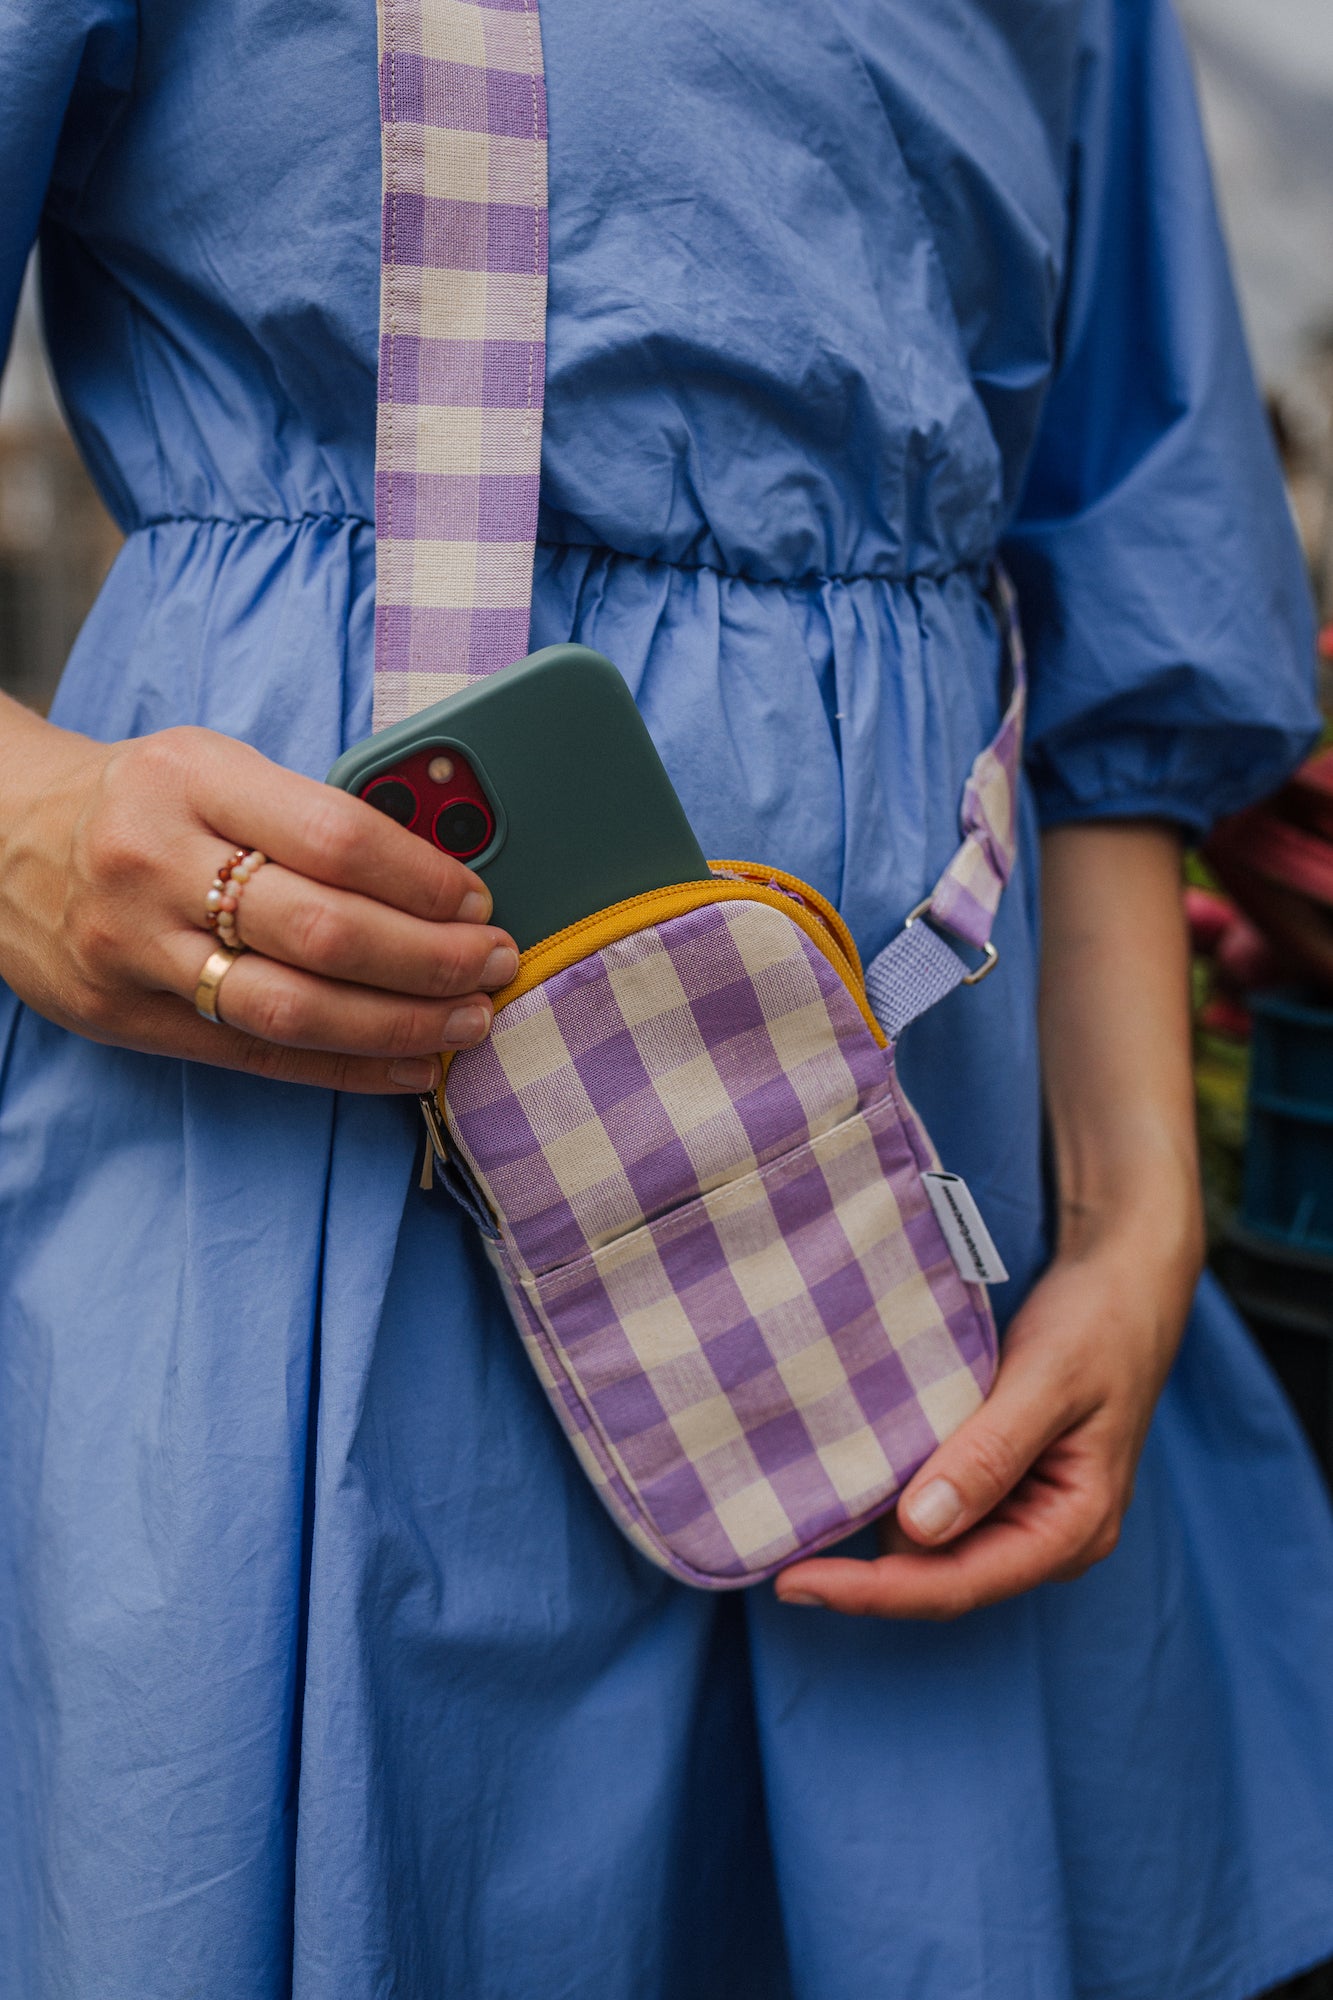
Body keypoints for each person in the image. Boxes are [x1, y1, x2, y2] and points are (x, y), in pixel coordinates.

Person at [2, 0, 1333, 1994]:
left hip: (913, 1245)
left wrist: (1135, 1212)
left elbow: (1116, 517)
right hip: (298, 1156)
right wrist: (27, 822)